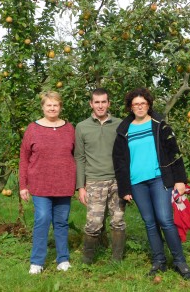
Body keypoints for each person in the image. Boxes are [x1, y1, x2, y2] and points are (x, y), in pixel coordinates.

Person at [113, 87, 190, 280]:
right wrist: (124, 188)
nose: (139, 107)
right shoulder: (124, 130)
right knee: (150, 223)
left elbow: (174, 152)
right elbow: (119, 162)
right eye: (136, 104)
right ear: (130, 107)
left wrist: (180, 179)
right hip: (137, 183)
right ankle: (159, 261)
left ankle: (180, 261)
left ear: (148, 104)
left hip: (159, 179)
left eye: (143, 103)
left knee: (165, 220)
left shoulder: (159, 125)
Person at [19, 91, 76, 274]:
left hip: (64, 183)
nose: (52, 108)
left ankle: (63, 259)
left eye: (55, 105)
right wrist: (23, 185)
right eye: (48, 105)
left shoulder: (69, 128)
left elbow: (76, 155)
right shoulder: (32, 129)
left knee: (61, 222)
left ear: (60, 107)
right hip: (40, 184)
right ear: (43, 107)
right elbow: (23, 158)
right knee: (42, 219)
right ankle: (37, 261)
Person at [74, 88, 126, 264]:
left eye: (104, 101)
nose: (100, 105)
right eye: (97, 102)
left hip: (117, 181)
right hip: (94, 181)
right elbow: (79, 158)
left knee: (118, 221)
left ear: (109, 103)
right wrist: (81, 186)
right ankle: (87, 260)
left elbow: (127, 154)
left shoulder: (120, 124)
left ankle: (117, 259)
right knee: (94, 224)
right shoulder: (82, 127)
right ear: (91, 104)